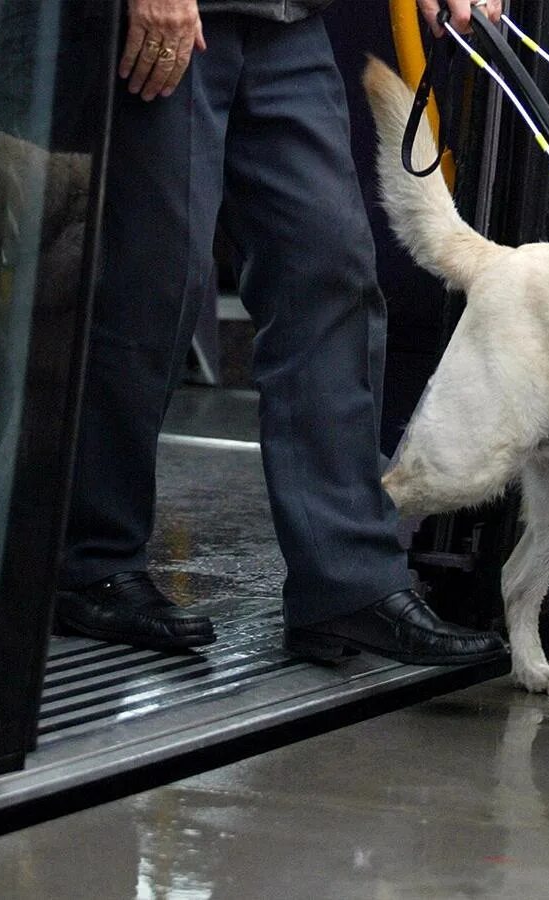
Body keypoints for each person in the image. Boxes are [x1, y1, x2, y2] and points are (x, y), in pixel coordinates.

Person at [53, 0, 507, 666]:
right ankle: (88, 563)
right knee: (150, 284)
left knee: (330, 274)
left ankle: (348, 584)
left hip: (289, 23)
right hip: (175, 15)